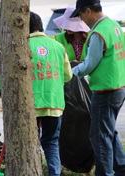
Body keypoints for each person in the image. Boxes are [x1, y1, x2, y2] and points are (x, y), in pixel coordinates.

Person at [70, 0, 125, 175]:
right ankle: (121, 168)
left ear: (88, 11)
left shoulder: (98, 33)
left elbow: (90, 64)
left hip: (105, 91)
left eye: (80, 15)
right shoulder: (113, 26)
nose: (81, 20)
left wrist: (72, 71)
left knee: (99, 137)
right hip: (118, 87)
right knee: (109, 132)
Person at [29, 12, 73, 176]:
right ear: (40, 26)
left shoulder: (22, 46)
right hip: (54, 103)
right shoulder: (58, 46)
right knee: (51, 142)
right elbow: (68, 75)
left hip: (31, 104)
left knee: (30, 143)